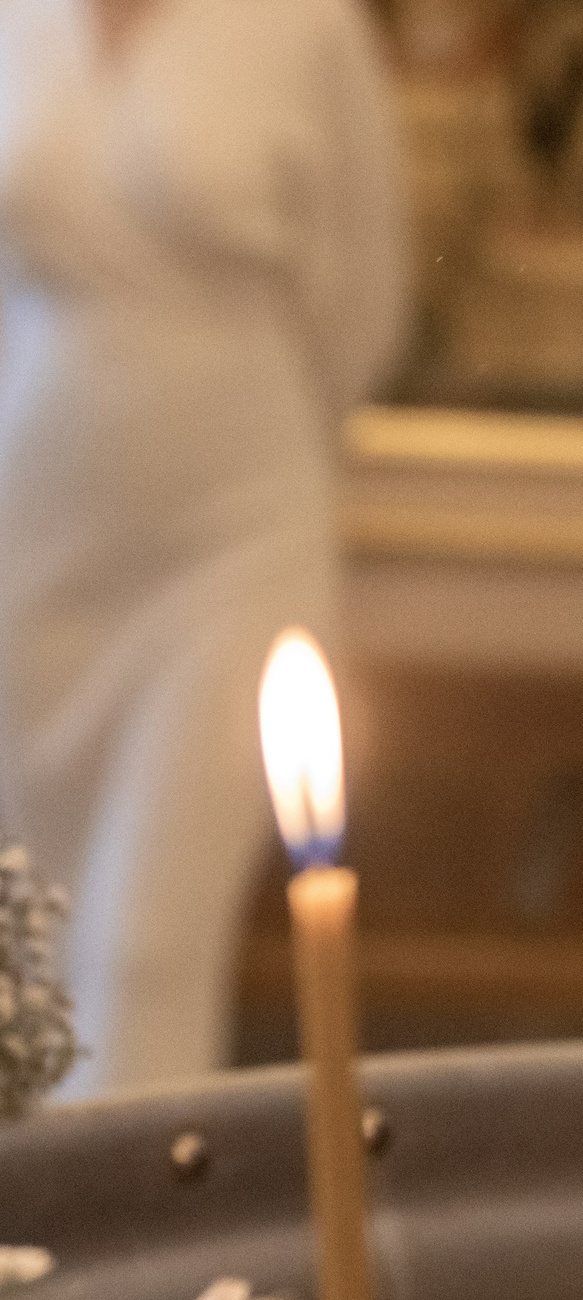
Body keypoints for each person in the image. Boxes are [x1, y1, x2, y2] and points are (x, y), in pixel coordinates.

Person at [0, 0, 408, 1097]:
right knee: (18, 945)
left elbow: (363, 302)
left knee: (146, 942)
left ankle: (129, 1240)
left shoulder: (303, 29)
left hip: (233, 551)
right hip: (30, 558)